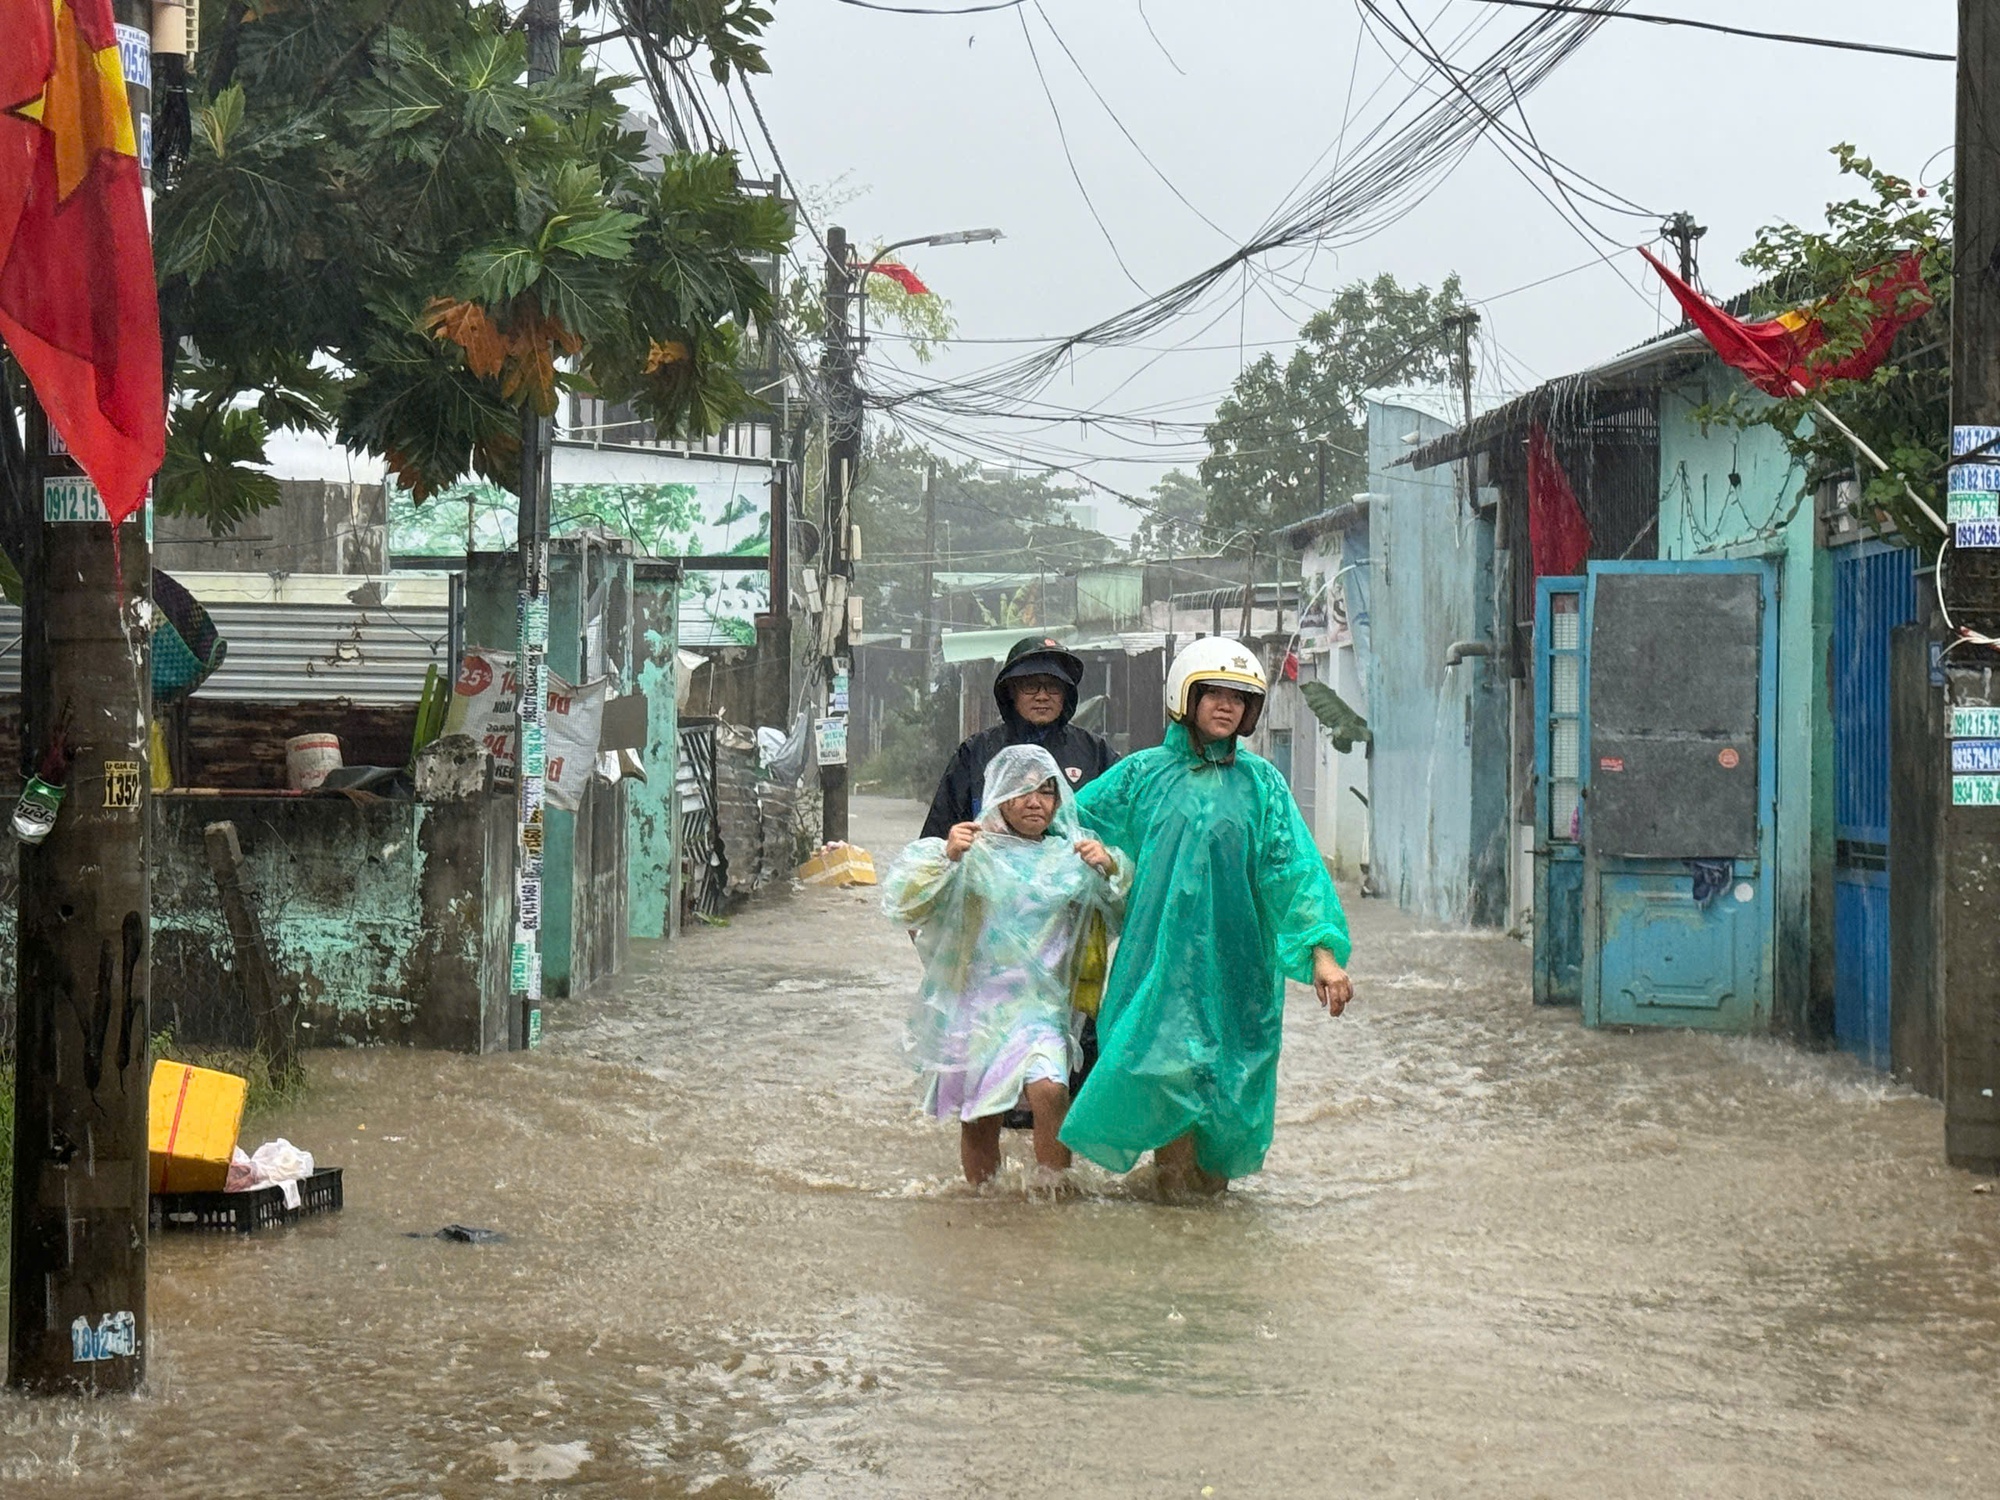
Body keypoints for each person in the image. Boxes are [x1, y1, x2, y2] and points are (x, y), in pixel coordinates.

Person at [1058, 637, 1355, 1197]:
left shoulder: (1263, 785)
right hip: (1158, 969)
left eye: (1239, 698)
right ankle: (1172, 1219)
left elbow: (1293, 873)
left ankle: (1205, 1224)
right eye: (1213, 693)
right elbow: (1065, 822)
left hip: (1239, 972)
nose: (1227, 706)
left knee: (1228, 1098)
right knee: (1166, 1079)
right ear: (1184, 698)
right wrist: (1091, 857)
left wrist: (1322, 955)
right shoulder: (1141, 774)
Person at [883, 745, 1129, 1187]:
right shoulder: (975, 854)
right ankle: (985, 1204)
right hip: (978, 1005)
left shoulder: (1070, 859)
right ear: (999, 795)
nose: (1035, 801)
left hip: (1042, 1008)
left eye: (1047, 791)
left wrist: (1110, 867)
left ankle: (1052, 1193)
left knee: (1051, 1090)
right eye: (1023, 791)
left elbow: (1127, 909)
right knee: (982, 1114)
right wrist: (948, 857)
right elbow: (906, 903)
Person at [919, 636, 1119, 840]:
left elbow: (1122, 826)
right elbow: (935, 841)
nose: (1042, 696)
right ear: (1011, 691)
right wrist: (951, 847)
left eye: (1053, 686)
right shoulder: (976, 753)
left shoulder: (1095, 753)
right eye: (1030, 686)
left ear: (1066, 693)